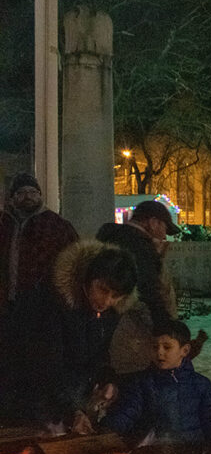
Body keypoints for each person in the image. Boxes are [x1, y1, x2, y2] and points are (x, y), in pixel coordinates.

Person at [0, 241, 137, 424]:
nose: (107, 301)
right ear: (89, 278)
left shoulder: (108, 314)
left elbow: (98, 354)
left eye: (116, 296)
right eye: (103, 290)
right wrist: (72, 411)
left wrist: (106, 379)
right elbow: (44, 368)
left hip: (64, 403)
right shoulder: (50, 303)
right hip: (26, 403)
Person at [101, 320, 211, 445]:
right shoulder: (142, 383)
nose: (160, 352)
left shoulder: (200, 384)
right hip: (154, 451)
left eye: (167, 347)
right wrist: (108, 428)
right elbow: (128, 412)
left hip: (191, 452)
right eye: (155, 347)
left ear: (185, 350)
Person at [0, 172, 78, 314]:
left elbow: (73, 259)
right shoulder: (5, 224)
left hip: (44, 304)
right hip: (7, 302)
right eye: (21, 192)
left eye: (32, 192)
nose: (28, 196)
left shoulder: (56, 225)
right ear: (12, 198)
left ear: (40, 195)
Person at [97, 199, 179, 328]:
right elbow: (149, 288)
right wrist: (165, 326)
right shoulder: (141, 247)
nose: (164, 236)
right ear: (153, 223)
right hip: (126, 323)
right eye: (165, 228)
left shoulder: (109, 236)